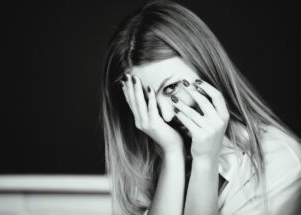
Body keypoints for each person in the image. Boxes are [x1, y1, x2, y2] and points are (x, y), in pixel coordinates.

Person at [100, 0, 301, 214]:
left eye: (171, 88)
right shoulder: (145, 159)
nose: (166, 116)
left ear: (204, 65)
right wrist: (172, 154)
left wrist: (205, 159)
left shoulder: (279, 159)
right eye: (146, 100)